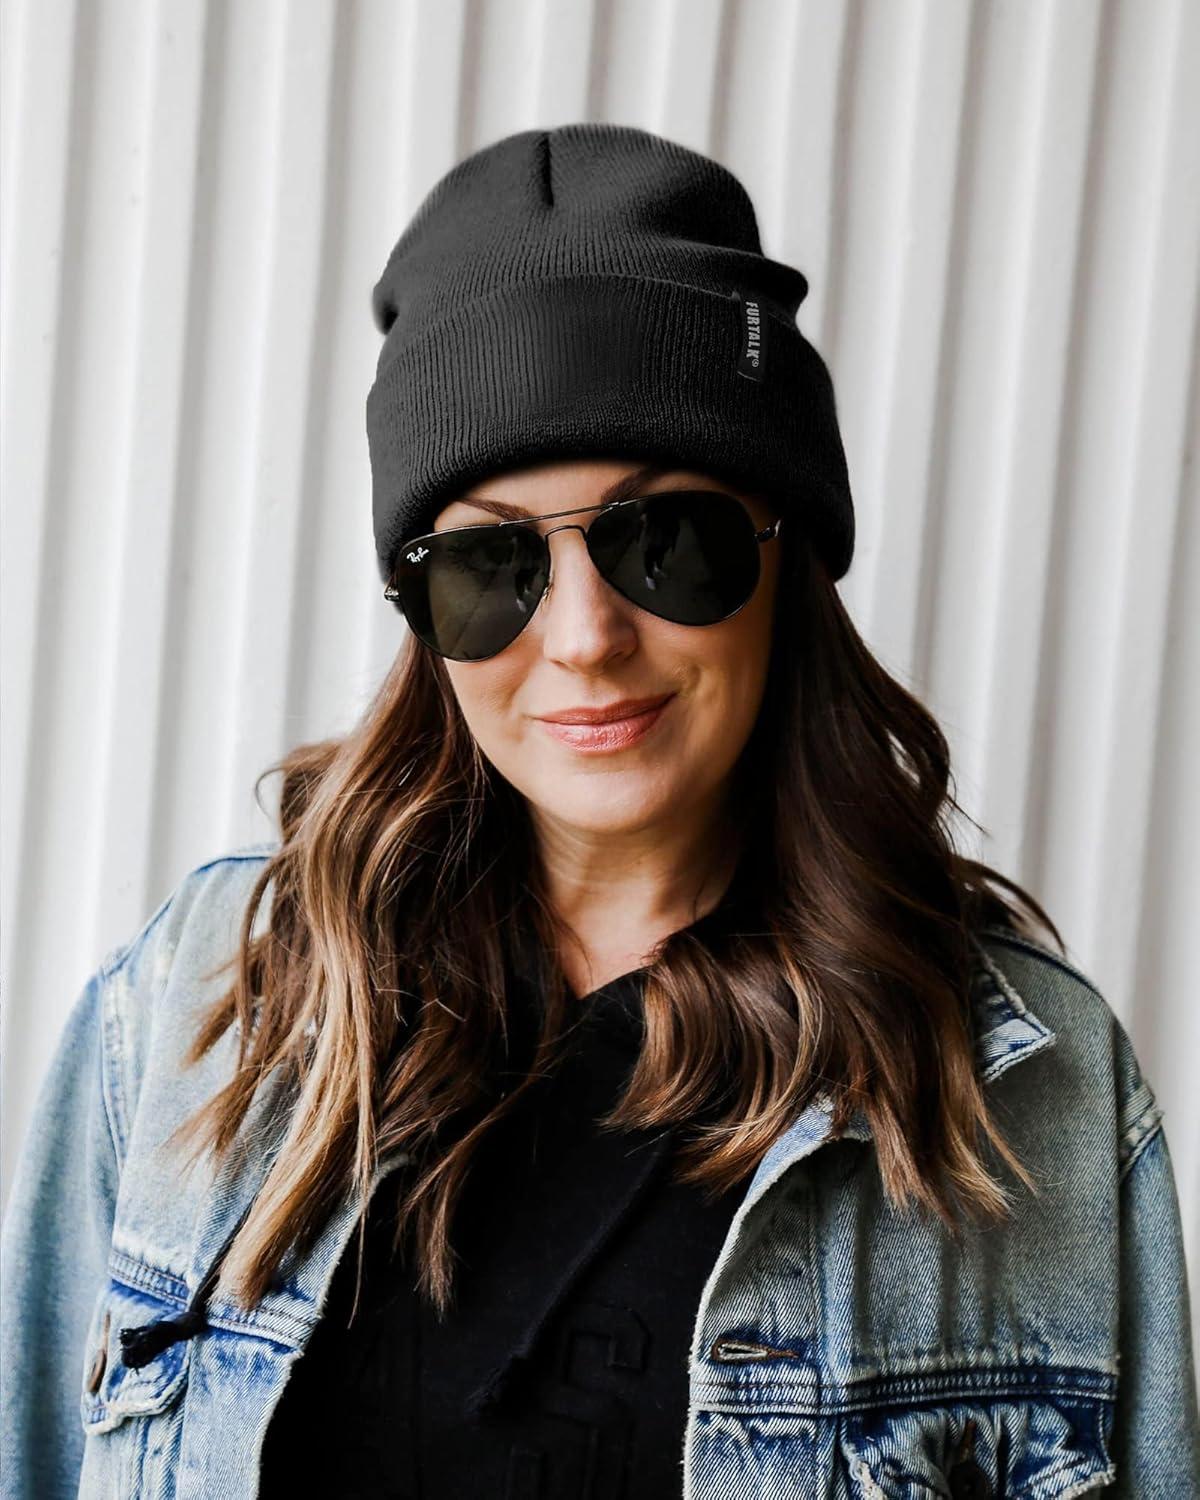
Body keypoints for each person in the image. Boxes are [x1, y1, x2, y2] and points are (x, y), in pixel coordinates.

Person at [1, 123, 1196, 1500]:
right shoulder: (194, 1011)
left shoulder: (1035, 1095)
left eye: (662, 540)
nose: (583, 638)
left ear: (787, 558)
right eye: (489, 562)